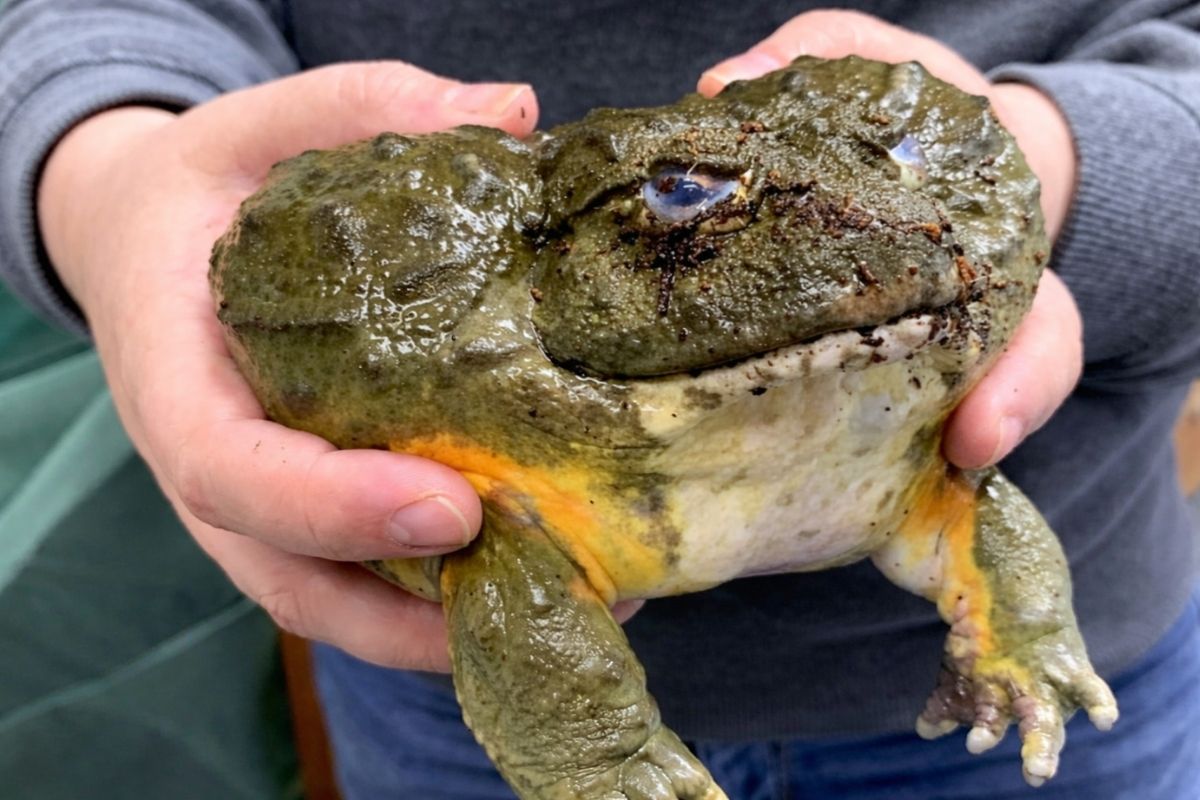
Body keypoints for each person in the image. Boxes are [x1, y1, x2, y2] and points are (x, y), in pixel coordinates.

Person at [1, 1, 1197, 797]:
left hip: (1098, 645)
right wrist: (105, 177)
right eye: (689, 206)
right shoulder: (527, 425)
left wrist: (1062, 158)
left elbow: (983, 514)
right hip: (441, 693)